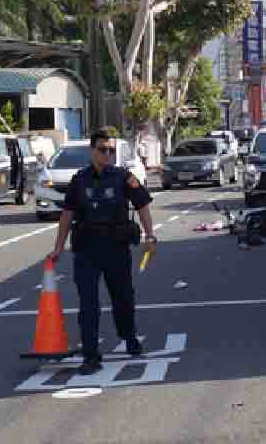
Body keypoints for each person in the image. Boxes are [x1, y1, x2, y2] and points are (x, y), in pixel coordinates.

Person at [48, 128, 156, 375]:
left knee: (123, 298)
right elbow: (67, 215)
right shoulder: (80, 180)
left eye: (110, 150)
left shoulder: (123, 177)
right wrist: (57, 248)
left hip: (116, 248)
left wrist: (150, 235)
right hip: (87, 249)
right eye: (102, 150)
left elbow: (143, 205)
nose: (107, 154)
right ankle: (90, 356)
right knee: (88, 304)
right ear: (92, 151)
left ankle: (129, 338)